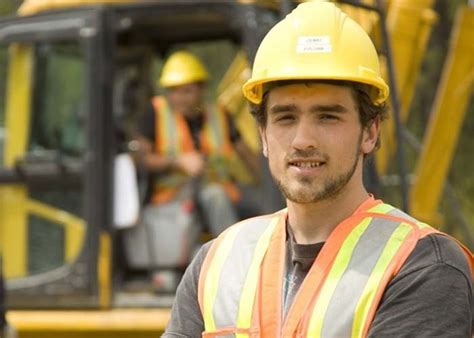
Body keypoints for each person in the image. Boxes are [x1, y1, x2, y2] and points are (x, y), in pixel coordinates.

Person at [163, 1, 473, 336]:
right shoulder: (216, 263)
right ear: (263, 135)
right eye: (285, 117)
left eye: (327, 116)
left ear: (370, 132)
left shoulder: (421, 264)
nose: (302, 140)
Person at [124, 50, 260, 292]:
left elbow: (248, 156)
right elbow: (140, 159)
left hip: (222, 187)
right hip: (173, 196)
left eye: (187, 90)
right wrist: (177, 162)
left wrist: (271, 184)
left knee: (260, 206)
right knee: (215, 198)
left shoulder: (219, 114)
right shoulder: (154, 113)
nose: (180, 98)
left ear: (201, 89)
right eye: (174, 91)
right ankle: (236, 270)